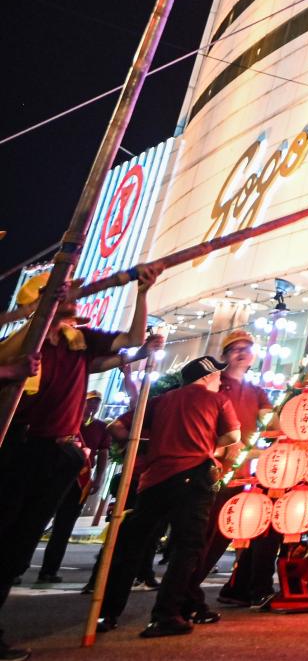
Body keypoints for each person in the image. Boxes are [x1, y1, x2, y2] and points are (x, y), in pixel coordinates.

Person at [0, 266, 156, 661]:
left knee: (18, 546)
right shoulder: (20, 343)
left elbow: (133, 341)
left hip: (59, 453)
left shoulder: (80, 344)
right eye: (62, 295)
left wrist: (142, 293)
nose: (72, 300)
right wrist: (12, 371)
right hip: (18, 448)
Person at [98, 356, 240, 637]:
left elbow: (116, 426)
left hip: (153, 480)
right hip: (193, 475)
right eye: (218, 375)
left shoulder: (161, 400)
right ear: (206, 377)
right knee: (187, 547)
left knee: (131, 547)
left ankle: (107, 614)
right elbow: (232, 436)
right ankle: (165, 615)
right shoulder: (217, 401)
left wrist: (149, 443)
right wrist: (209, 441)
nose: (221, 380)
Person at [189, 333, 280, 608]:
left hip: (239, 473)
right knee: (199, 536)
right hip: (210, 469)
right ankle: (184, 593)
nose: (241, 353)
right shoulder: (214, 384)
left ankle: (190, 592)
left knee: (222, 534)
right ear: (225, 355)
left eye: (247, 349)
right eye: (235, 349)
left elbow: (273, 424)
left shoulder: (256, 392)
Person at [34, 391, 110, 584]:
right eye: (90, 402)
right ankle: (17, 566)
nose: (93, 406)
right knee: (37, 520)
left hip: (80, 482)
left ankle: (49, 570)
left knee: (64, 527)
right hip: (56, 476)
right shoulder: (69, 421)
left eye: (97, 403)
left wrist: (99, 478)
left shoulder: (101, 427)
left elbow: (103, 454)